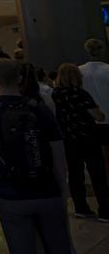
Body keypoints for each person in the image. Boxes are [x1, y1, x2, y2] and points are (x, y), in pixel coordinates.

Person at [0, 58, 70, 253]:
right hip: (47, 189)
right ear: (19, 78)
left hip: (11, 191)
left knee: (21, 246)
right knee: (58, 245)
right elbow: (58, 150)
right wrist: (62, 186)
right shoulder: (39, 107)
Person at [52, 63, 109, 220]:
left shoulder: (56, 94)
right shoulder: (80, 94)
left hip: (69, 139)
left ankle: (81, 207)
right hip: (88, 137)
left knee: (75, 175)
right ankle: (105, 209)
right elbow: (98, 116)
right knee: (98, 175)